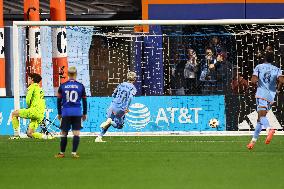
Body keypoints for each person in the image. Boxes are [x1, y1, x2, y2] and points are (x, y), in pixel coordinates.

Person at [247, 51, 284, 150]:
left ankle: (269, 129)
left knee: (261, 116)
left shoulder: (259, 67)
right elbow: (282, 80)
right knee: (259, 119)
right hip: (271, 95)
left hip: (261, 93)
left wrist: (256, 84)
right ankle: (252, 142)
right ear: (273, 60)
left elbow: (253, 80)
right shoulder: (277, 69)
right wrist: (278, 89)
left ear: (264, 58)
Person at [95, 71, 137, 142]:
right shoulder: (133, 88)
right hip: (121, 108)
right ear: (135, 79)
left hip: (112, 105)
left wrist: (116, 100)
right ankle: (111, 122)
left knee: (107, 122)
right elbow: (130, 98)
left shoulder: (121, 84)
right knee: (119, 125)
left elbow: (113, 94)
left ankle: (99, 137)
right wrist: (127, 107)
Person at [55, 66, 87, 158]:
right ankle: (74, 153)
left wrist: (59, 113)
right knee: (76, 133)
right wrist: (84, 113)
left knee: (64, 133)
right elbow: (84, 101)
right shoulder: (81, 86)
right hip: (77, 112)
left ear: (68, 74)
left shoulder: (63, 86)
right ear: (76, 74)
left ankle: (61, 153)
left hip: (66, 112)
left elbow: (58, 101)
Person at [10, 73, 48, 139]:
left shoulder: (32, 87)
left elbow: (28, 100)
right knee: (30, 133)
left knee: (14, 114)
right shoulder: (40, 89)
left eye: (29, 78)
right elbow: (42, 101)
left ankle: (16, 135)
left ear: (32, 79)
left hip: (33, 111)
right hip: (40, 113)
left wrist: (29, 107)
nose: (28, 80)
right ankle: (46, 137)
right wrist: (41, 113)